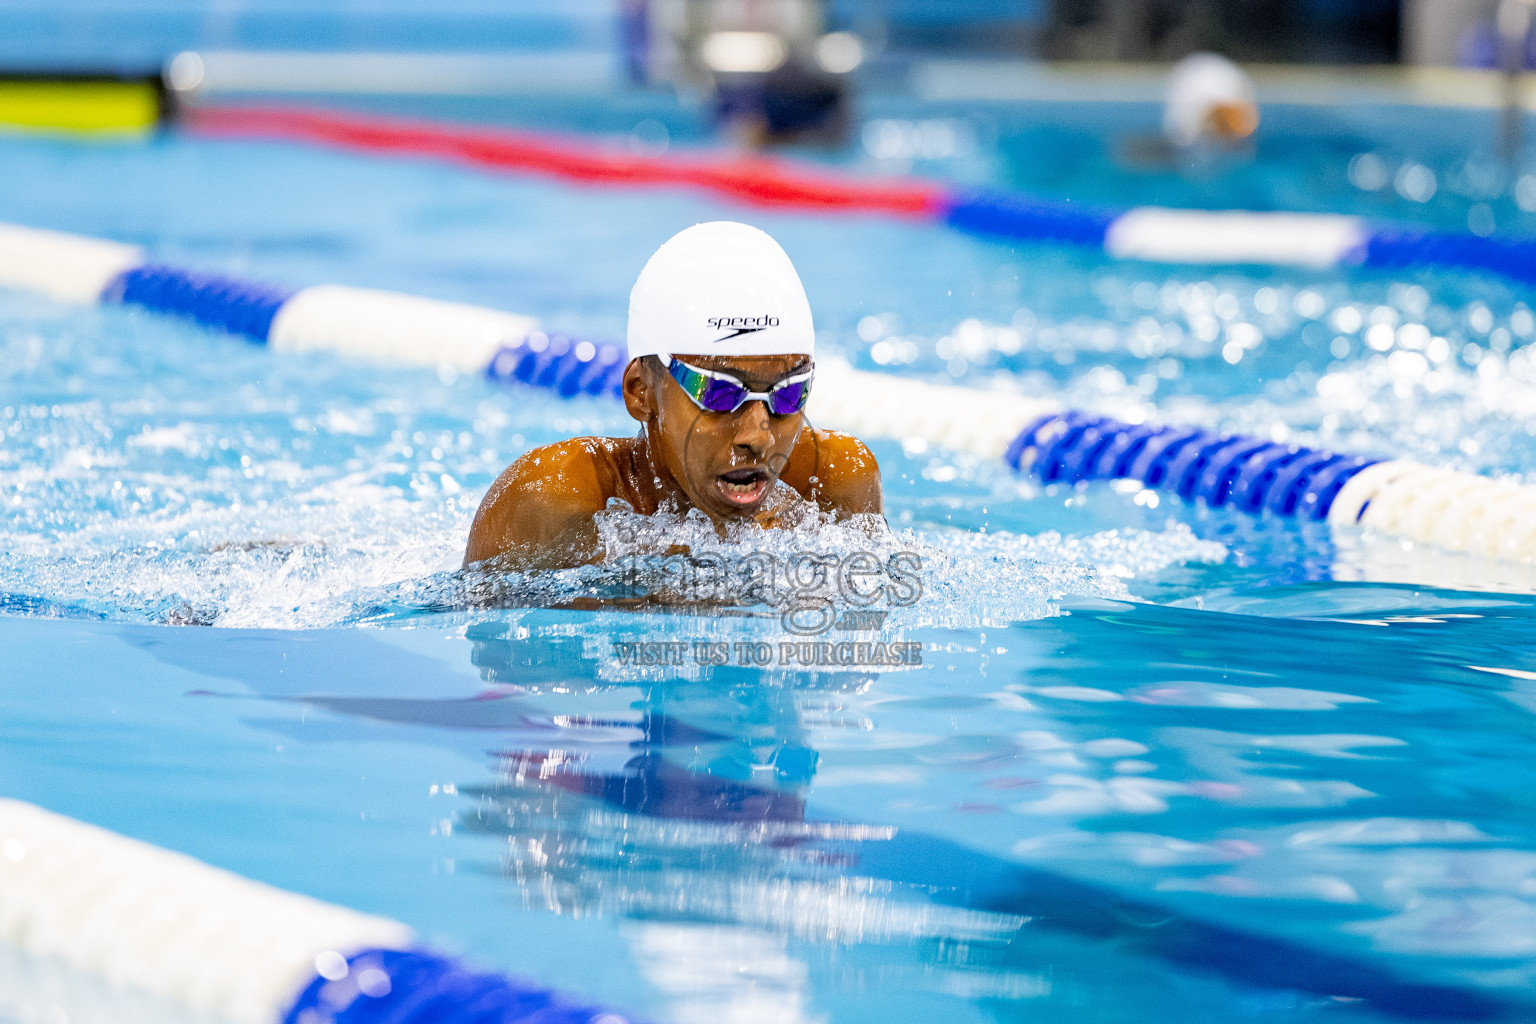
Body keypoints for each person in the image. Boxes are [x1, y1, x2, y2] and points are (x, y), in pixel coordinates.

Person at [464, 221, 882, 570]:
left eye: (789, 394)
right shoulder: (553, 503)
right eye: (719, 393)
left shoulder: (831, 487)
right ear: (640, 392)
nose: (758, 436)